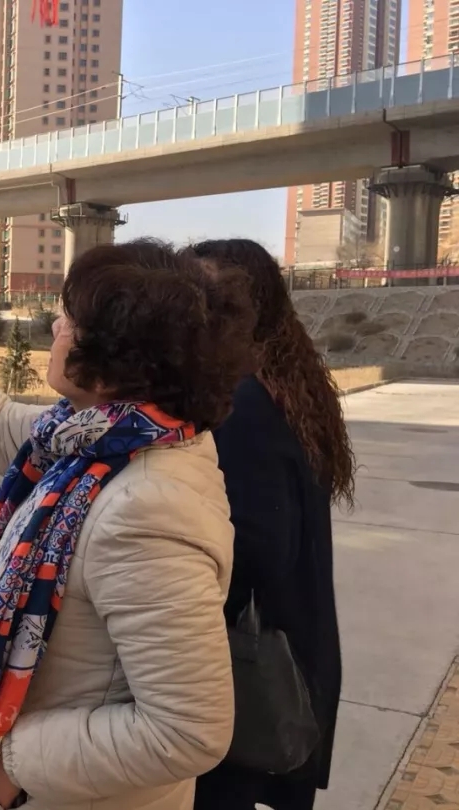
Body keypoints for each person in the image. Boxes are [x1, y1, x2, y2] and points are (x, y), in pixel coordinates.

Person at [0, 240, 257, 810]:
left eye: (69, 318)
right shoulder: (95, 440)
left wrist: (13, 767)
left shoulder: (146, 509)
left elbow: (188, 730)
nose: (54, 326)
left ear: (114, 357)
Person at [186, 239, 354, 810]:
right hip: (287, 651)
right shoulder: (280, 385)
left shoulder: (246, 403)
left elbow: (257, 548)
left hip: (257, 670)